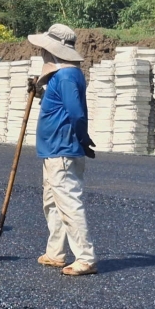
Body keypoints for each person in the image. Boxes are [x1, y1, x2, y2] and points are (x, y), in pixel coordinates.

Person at [28, 23, 98, 276]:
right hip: (52, 149)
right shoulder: (60, 75)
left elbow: (76, 114)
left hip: (63, 149)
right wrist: (39, 93)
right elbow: (58, 103)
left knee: (68, 202)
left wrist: (82, 139)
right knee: (52, 202)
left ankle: (86, 258)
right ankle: (55, 253)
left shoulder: (68, 75)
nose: (41, 53)